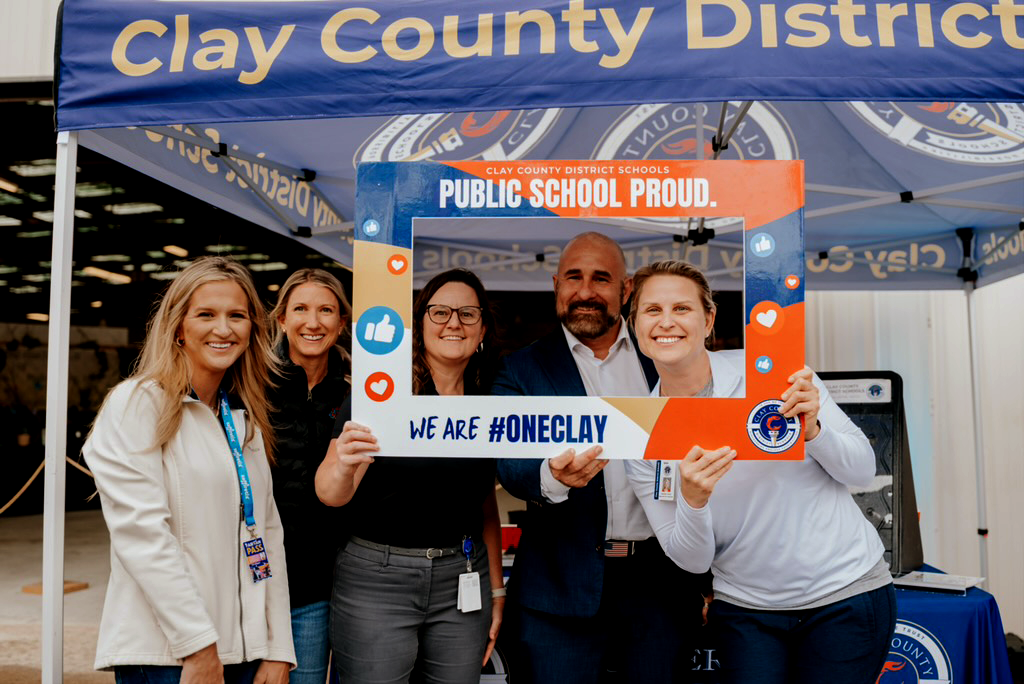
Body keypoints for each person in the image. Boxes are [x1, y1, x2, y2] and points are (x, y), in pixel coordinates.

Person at [623, 260, 896, 684]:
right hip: (747, 610)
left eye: (682, 308)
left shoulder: (771, 374)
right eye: (652, 310)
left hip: (844, 593)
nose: (666, 322)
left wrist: (815, 432)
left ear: (709, 319)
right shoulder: (641, 429)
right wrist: (693, 502)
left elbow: (862, 471)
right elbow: (692, 561)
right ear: (634, 325)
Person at [493, 232, 707, 683]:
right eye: (574, 277)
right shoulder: (519, 370)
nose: (586, 291)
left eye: (601, 278)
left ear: (625, 290)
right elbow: (510, 466)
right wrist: (551, 476)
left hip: (660, 586)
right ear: (556, 285)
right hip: (557, 593)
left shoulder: (669, 358)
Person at [83, 256, 295, 684]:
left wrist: (275, 647)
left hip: (242, 654)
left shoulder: (242, 418)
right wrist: (198, 646)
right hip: (171, 655)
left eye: (237, 315)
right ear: (178, 326)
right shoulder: (138, 404)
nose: (223, 329)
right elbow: (143, 536)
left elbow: (266, 534)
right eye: (206, 315)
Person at [315, 268, 505, 684]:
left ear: (483, 328)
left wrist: (496, 588)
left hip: (462, 579)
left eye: (467, 314)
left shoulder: (488, 399)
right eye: (439, 312)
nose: (453, 322)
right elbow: (330, 492)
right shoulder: (381, 390)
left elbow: (483, 501)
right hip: (376, 580)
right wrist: (344, 464)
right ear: (420, 325)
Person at [268, 268, 351, 684]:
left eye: (326, 310)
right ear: (282, 319)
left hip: (337, 583)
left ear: (341, 322)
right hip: (271, 584)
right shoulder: (251, 385)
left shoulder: (360, 392)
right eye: (300, 309)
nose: (313, 322)